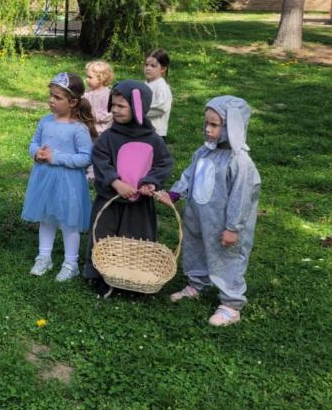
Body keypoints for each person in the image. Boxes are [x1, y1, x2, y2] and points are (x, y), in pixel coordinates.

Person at [159, 96, 260, 327]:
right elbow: (190, 175)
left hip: (224, 224)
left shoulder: (240, 162)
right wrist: (175, 193)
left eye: (214, 125)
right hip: (198, 217)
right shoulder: (203, 152)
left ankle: (231, 304)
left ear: (233, 127)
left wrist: (233, 227)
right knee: (195, 248)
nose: (207, 129)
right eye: (206, 123)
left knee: (228, 257)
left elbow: (241, 198)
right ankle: (197, 283)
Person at [83, 80, 173, 297]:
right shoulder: (108, 137)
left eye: (121, 106)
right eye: (113, 105)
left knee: (135, 238)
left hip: (139, 203)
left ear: (138, 108)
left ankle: (133, 278)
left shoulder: (154, 140)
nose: (115, 110)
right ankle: (100, 274)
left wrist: (150, 182)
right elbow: (100, 160)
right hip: (110, 200)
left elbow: (163, 164)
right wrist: (115, 182)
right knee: (103, 235)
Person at [22, 73, 97, 281]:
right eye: (51, 95)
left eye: (57, 97)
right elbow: (34, 143)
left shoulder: (78, 129)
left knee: (69, 223)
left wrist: (56, 157)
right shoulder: (46, 121)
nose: (51, 100)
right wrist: (36, 153)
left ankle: (70, 264)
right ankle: (44, 257)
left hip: (68, 183)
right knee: (46, 218)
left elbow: (85, 158)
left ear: (72, 102)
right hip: (44, 179)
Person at [144, 48, 173, 140]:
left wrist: (139, 113)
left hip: (156, 133)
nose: (148, 68)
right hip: (143, 130)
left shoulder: (161, 86)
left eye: (153, 66)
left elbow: (161, 108)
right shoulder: (145, 84)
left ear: (163, 69)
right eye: (146, 65)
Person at [83, 60, 115, 135]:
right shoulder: (88, 92)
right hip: (88, 124)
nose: (87, 79)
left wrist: (96, 116)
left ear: (101, 78)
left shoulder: (107, 94)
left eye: (90, 77)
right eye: (87, 76)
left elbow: (110, 113)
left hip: (102, 128)